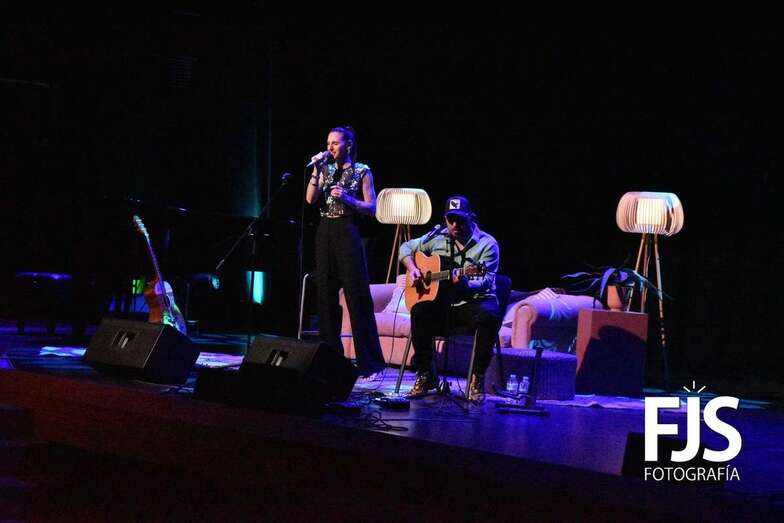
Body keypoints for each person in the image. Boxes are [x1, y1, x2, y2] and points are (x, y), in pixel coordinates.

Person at [399, 195, 501, 403]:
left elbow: (486, 281)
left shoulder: (487, 244)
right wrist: (413, 268)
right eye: (450, 219)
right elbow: (406, 248)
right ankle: (426, 375)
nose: (455, 225)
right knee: (419, 311)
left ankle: (477, 378)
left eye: (460, 220)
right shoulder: (437, 236)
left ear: (471, 217)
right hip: (445, 303)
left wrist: (464, 283)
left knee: (489, 316)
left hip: (474, 302)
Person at [305, 126, 386, 379]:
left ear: (348, 145)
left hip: (347, 230)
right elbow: (310, 199)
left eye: (335, 143)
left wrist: (348, 199)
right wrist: (316, 170)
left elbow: (372, 208)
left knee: (356, 295)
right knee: (326, 296)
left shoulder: (362, 171)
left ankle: (370, 363)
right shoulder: (326, 169)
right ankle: (330, 359)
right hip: (324, 231)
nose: (329, 147)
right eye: (328, 143)